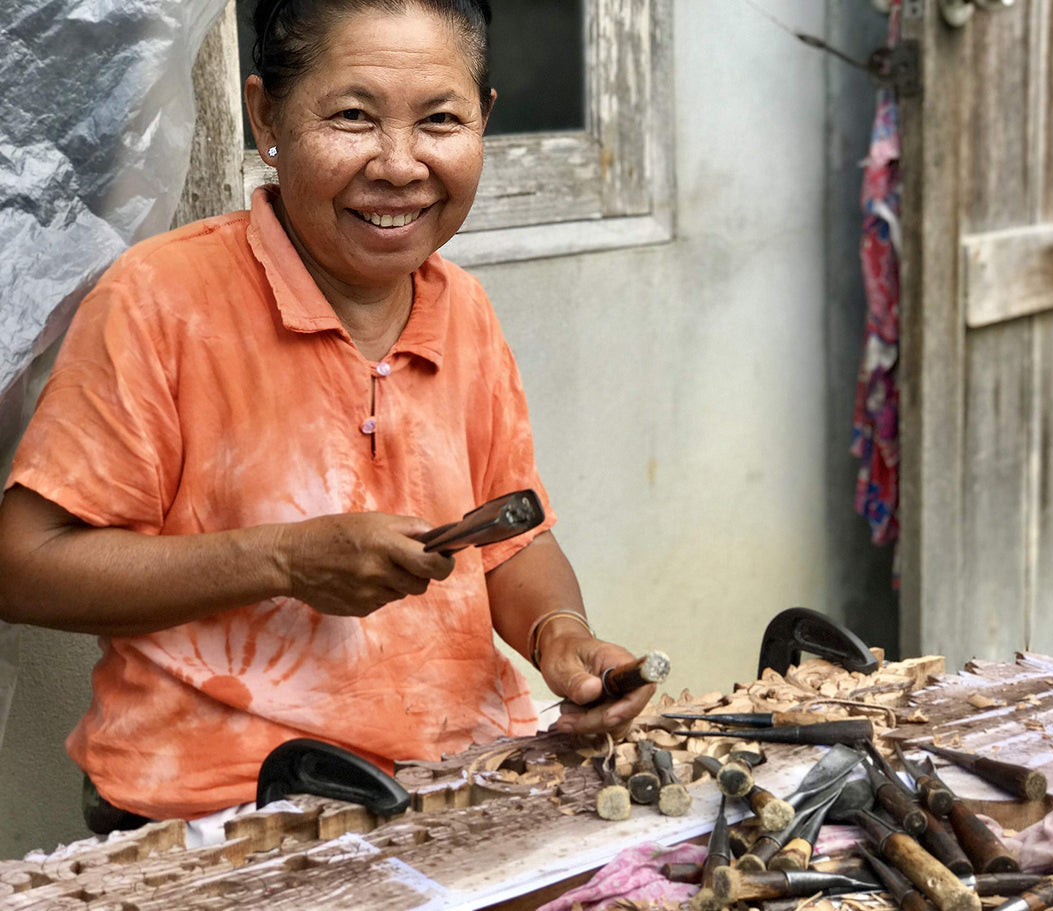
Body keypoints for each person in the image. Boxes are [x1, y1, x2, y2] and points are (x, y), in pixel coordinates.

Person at [0, 0, 652, 834]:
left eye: (441, 121)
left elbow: (511, 536)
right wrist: (282, 559)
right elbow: (24, 567)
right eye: (352, 117)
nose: (399, 165)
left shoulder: (465, 311)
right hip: (221, 812)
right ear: (266, 114)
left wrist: (562, 635)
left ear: (483, 120)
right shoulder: (161, 302)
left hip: (456, 783)